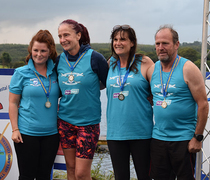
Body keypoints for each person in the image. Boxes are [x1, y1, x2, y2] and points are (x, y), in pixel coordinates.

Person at [147, 25, 209, 180]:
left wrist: (198, 137)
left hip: (183, 140)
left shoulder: (188, 68)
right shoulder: (153, 70)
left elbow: (203, 104)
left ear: (176, 44)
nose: (161, 47)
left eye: (165, 43)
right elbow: (150, 97)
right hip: (159, 138)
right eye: (158, 44)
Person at [56, 19, 108, 180]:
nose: (63, 39)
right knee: (70, 170)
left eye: (66, 35)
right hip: (65, 122)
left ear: (78, 35)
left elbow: (109, 84)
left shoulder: (95, 58)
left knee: (81, 173)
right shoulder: (58, 60)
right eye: (60, 36)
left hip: (88, 124)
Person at [9, 30, 60, 180]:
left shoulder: (57, 72)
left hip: (51, 135)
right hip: (26, 134)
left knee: (44, 176)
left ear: (50, 51)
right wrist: (15, 129)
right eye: (35, 50)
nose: (39, 54)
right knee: (26, 177)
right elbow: (12, 102)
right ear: (31, 50)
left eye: (43, 51)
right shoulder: (21, 73)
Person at [106, 25, 154, 180]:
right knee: (121, 177)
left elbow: (159, 88)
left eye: (123, 39)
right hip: (115, 133)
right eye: (115, 39)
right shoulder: (110, 64)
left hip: (141, 132)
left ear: (132, 42)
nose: (118, 43)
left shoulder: (144, 62)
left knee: (144, 176)